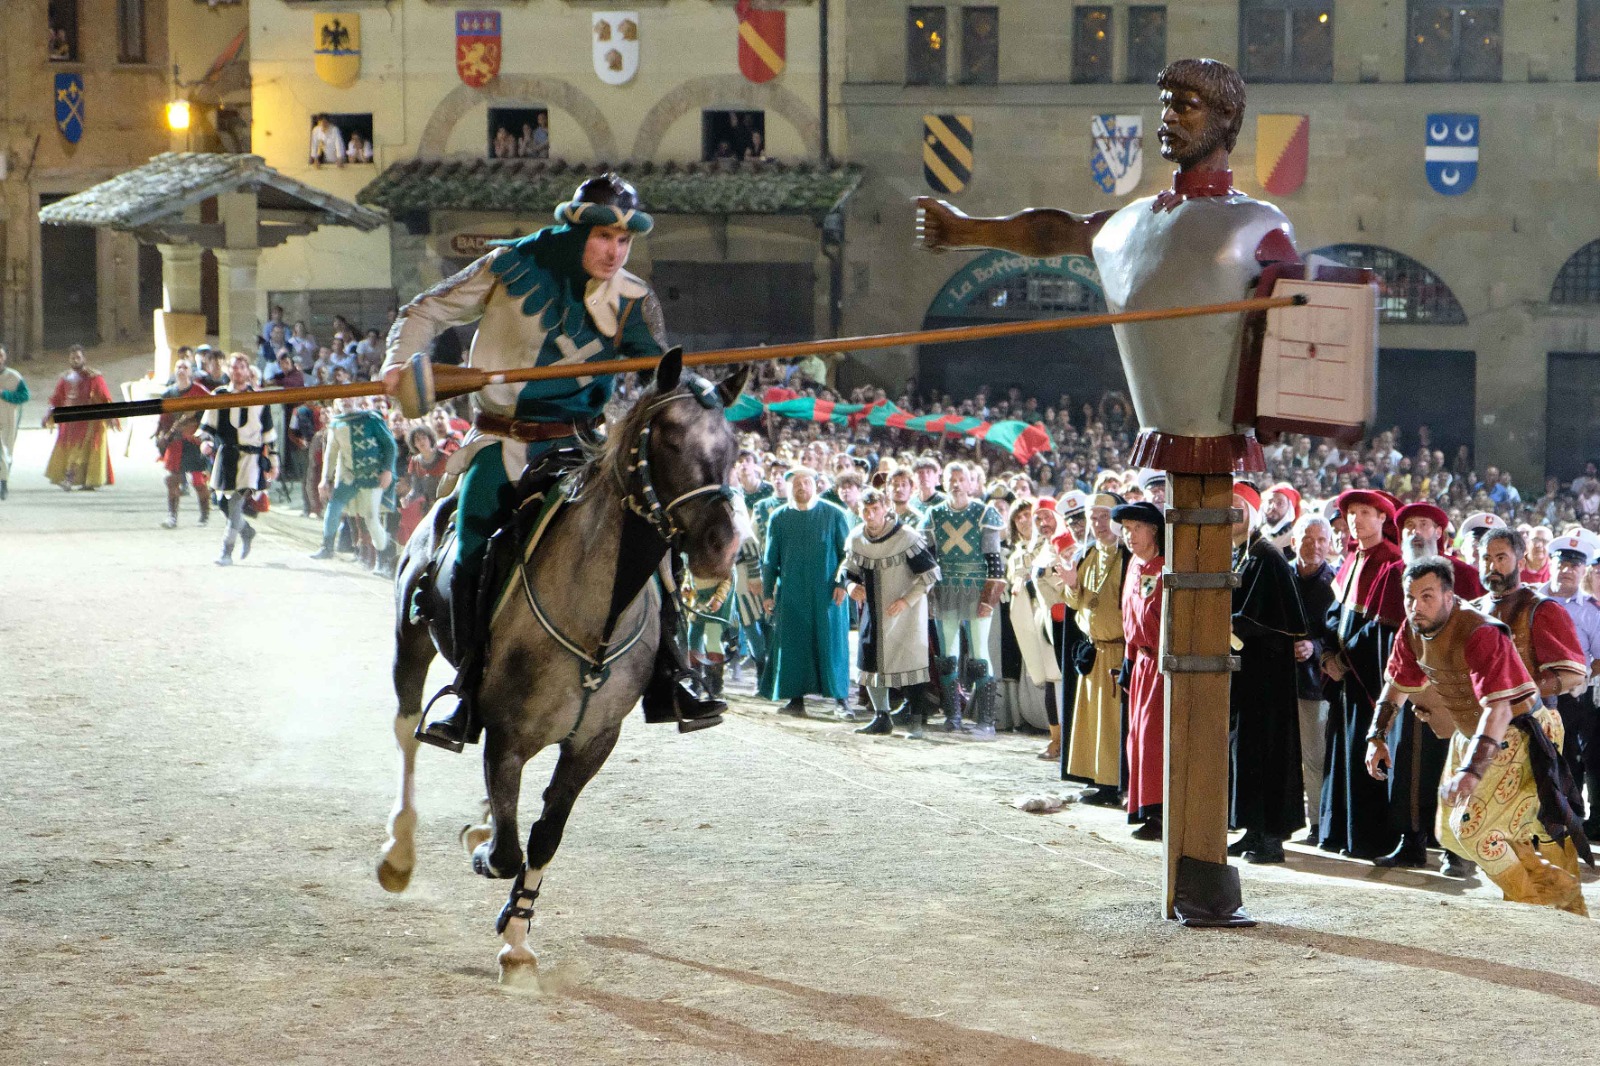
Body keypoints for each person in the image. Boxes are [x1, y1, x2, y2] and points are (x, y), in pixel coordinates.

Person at [380, 173, 723, 750]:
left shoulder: (634, 301)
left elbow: (656, 377)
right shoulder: (510, 265)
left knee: (655, 546)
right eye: (604, 238)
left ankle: (670, 674)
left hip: (582, 449)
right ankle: (466, 686)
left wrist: (691, 388)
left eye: (624, 241)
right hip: (502, 445)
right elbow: (426, 311)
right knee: (469, 545)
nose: (614, 252)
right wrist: (400, 360)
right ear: (576, 229)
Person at [1369, 557, 1591, 914]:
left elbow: (1500, 709)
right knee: (1452, 830)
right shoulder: (1412, 628)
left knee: (1471, 829)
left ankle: (1541, 900)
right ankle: (1557, 897)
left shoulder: (1480, 630)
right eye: (1410, 597)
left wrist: (1470, 773)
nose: (1415, 606)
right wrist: (1376, 736)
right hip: (1470, 734)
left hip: (1519, 732)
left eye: (1426, 596)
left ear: (1448, 595)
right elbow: (1395, 685)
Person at [1319, 489, 1404, 861]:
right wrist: (1326, 655)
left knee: (1362, 752)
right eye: (1351, 513)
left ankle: (1366, 838)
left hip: (1365, 677)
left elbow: (1381, 630)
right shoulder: (1352, 558)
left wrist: (1344, 659)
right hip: (1342, 674)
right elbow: (1334, 614)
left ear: (1383, 519)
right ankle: (1336, 831)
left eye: (1365, 512)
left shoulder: (1391, 562)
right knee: (1340, 751)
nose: (1356, 520)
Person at [1226, 483, 1308, 864]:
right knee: (1247, 753)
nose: (1231, 515)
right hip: (1247, 674)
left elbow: (1270, 619)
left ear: (1253, 512)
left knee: (1271, 754)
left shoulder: (1266, 557)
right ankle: (1252, 829)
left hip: (1269, 677)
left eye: (1237, 508)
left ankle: (1272, 836)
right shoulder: (1240, 555)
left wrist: (1224, 624)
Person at [844, 489, 940, 737]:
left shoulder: (907, 537)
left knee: (910, 663)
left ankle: (917, 722)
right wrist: (851, 586)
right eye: (865, 510)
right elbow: (848, 570)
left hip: (905, 614)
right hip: (873, 612)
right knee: (871, 661)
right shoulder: (856, 538)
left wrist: (906, 601)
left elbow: (929, 575)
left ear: (886, 508)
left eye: (875, 509)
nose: (870, 515)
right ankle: (881, 716)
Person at [921, 461, 1006, 737]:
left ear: (971, 483)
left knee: (980, 655)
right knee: (947, 657)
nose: (956, 484)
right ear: (944, 483)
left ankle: (986, 722)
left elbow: (994, 561)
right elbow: (930, 559)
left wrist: (988, 598)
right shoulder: (934, 515)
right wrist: (930, 593)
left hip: (976, 588)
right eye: (951, 479)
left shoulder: (984, 514)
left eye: (961, 479)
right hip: (946, 589)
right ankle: (953, 716)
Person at [760, 467, 854, 717]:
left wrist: (842, 583)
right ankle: (795, 700)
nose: (802, 486)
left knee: (832, 644)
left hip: (828, 593)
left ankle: (841, 701)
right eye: (796, 483)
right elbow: (771, 559)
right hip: (792, 592)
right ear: (789, 487)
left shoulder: (834, 514)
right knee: (794, 644)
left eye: (806, 481)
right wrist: (767, 592)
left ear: (816, 484)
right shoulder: (779, 518)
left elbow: (848, 555)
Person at [1059, 492, 1131, 806]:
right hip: (1093, 651)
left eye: (1104, 517)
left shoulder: (1129, 557)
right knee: (1092, 720)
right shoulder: (1088, 553)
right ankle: (1095, 778)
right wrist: (1072, 584)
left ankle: (1113, 783)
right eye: (1093, 517)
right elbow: (1076, 603)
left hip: (1118, 651)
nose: (1098, 524)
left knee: (1113, 721)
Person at [1541, 530, 1600, 835]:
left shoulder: (1590, 611)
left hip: (1572, 697)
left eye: (1574, 566)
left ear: (1583, 571)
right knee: (1536, 757)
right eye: (1561, 563)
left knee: (1570, 760)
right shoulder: (1531, 600)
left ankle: (1571, 818)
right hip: (1533, 694)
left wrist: (1584, 677)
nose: (1566, 570)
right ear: (1550, 564)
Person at [1113, 500, 1166, 840]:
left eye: (1136, 529)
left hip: (1161, 666)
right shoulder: (1134, 565)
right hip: (1141, 662)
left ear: (1155, 530)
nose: (1129, 536)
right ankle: (1142, 806)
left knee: (1153, 739)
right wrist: (1128, 663)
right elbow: (1128, 617)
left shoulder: (1165, 568)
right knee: (1136, 738)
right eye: (1126, 529)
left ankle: (1159, 812)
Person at [198, 353, 275, 566]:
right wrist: (206, 441)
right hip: (226, 456)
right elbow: (207, 427)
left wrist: (273, 462)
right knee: (221, 503)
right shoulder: (219, 395)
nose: (237, 371)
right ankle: (247, 531)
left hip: (250, 459)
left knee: (234, 505)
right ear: (228, 370)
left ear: (248, 371)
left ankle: (226, 551)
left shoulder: (258, 399)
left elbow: (268, 433)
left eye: (241, 367)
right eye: (234, 367)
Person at [1291, 513, 1336, 837]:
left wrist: (1314, 647)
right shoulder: (1283, 576)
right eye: (1307, 539)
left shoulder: (1334, 584)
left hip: (1313, 684)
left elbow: (1338, 636)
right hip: (1278, 681)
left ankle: (1317, 823)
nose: (1314, 547)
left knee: (1314, 757)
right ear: (1294, 542)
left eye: (1321, 540)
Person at [312, 397, 396, 571]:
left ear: (358, 399)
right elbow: (331, 453)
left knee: (372, 518)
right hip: (350, 477)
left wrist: (387, 470)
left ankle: (384, 557)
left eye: (350, 397)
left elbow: (389, 445)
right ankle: (327, 547)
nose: (346, 401)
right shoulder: (336, 424)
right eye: (342, 398)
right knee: (334, 506)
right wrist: (325, 479)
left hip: (373, 476)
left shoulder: (372, 419)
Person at [43, 345, 117, 491]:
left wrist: (111, 416)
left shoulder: (94, 377)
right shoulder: (65, 378)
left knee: (81, 450)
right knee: (69, 450)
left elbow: (105, 398)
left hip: (90, 421)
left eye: (78, 357)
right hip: (70, 421)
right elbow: (57, 399)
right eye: (72, 358)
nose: (75, 360)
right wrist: (48, 414)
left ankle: (74, 479)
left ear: (84, 359)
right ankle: (75, 479)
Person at [155, 356, 212, 528]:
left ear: (191, 372)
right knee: (173, 480)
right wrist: (161, 436)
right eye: (178, 367)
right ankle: (172, 517)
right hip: (176, 443)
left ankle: (204, 514)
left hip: (194, 442)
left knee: (198, 482)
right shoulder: (168, 394)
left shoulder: (200, 392)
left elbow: (210, 414)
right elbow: (164, 419)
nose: (181, 370)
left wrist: (202, 431)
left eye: (185, 367)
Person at [0, 344, 29, 500]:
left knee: (5, 451)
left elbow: (24, 396)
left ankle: (3, 482)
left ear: (5, 357)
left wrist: (5, 395)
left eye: (0, 355)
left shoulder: (14, 377)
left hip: (8, 418)